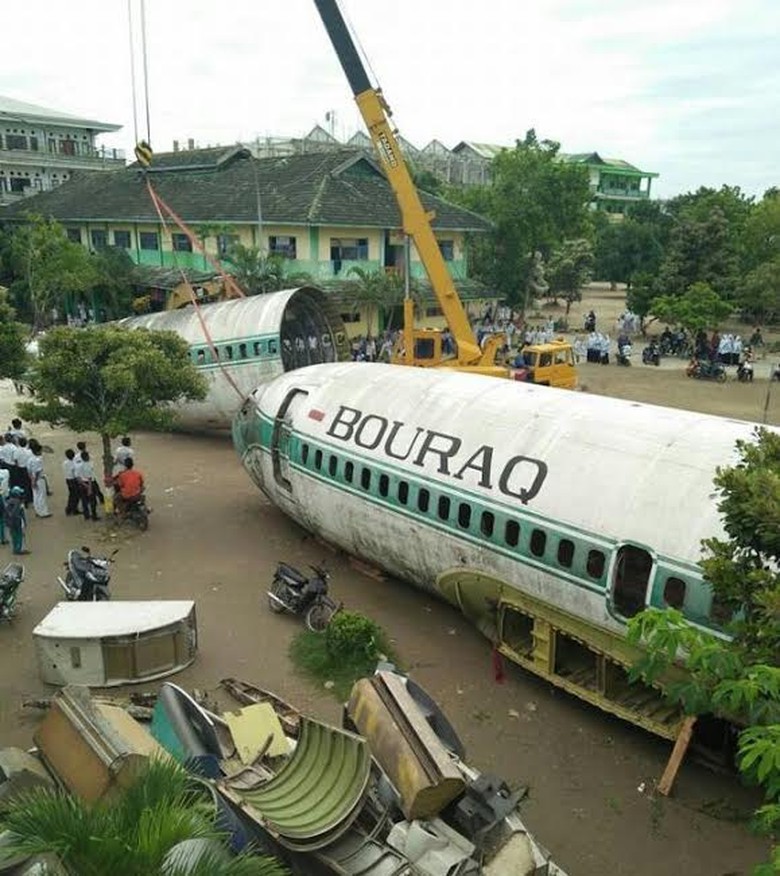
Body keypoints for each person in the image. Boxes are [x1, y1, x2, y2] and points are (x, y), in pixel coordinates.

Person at [27, 444, 51, 518]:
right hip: (39, 479)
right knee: (41, 495)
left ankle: (38, 511)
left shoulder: (30, 459)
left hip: (32, 478)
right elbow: (37, 472)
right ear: (37, 452)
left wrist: (31, 480)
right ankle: (43, 512)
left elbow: (29, 471)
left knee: (36, 496)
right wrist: (34, 481)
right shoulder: (38, 460)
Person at [4, 487, 27, 555]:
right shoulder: (18, 502)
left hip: (9, 522)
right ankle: (19, 549)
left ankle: (15, 549)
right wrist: (24, 521)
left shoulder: (8, 501)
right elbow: (17, 512)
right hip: (16, 521)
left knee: (13, 535)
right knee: (20, 535)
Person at [77, 451, 99, 521]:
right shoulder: (88, 465)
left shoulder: (79, 466)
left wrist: (83, 484)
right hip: (89, 483)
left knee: (84, 501)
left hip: (82, 484)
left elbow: (78, 478)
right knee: (93, 501)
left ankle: (86, 515)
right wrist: (89, 488)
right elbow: (89, 478)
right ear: (87, 457)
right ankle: (94, 516)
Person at [62, 449, 80, 516]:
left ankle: (69, 509)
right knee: (76, 495)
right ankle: (74, 509)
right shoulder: (73, 464)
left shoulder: (65, 463)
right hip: (73, 480)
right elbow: (75, 473)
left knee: (71, 495)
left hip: (68, 479)